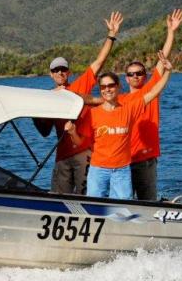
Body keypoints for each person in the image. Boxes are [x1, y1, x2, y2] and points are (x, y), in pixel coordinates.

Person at [35, 11, 123, 195]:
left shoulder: (79, 85)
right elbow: (44, 132)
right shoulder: (48, 98)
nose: (60, 73)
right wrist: (35, 113)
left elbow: (99, 61)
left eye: (63, 70)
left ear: (69, 72)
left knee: (87, 196)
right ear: (51, 74)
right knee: (59, 198)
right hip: (62, 157)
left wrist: (111, 35)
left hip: (84, 152)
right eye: (56, 70)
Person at [73, 51, 173, 200]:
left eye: (111, 85)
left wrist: (168, 71)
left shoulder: (129, 108)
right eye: (103, 87)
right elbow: (79, 141)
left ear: (118, 86)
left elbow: (154, 91)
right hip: (98, 170)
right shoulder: (93, 114)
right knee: (93, 205)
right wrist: (71, 132)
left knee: (123, 209)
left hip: (121, 170)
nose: (107, 89)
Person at [122, 9, 182, 200]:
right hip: (123, 161)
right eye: (131, 74)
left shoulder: (151, 90)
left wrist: (171, 32)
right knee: (122, 204)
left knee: (147, 203)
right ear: (126, 79)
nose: (136, 76)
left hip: (146, 160)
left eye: (139, 72)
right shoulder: (120, 100)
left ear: (145, 75)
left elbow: (162, 60)